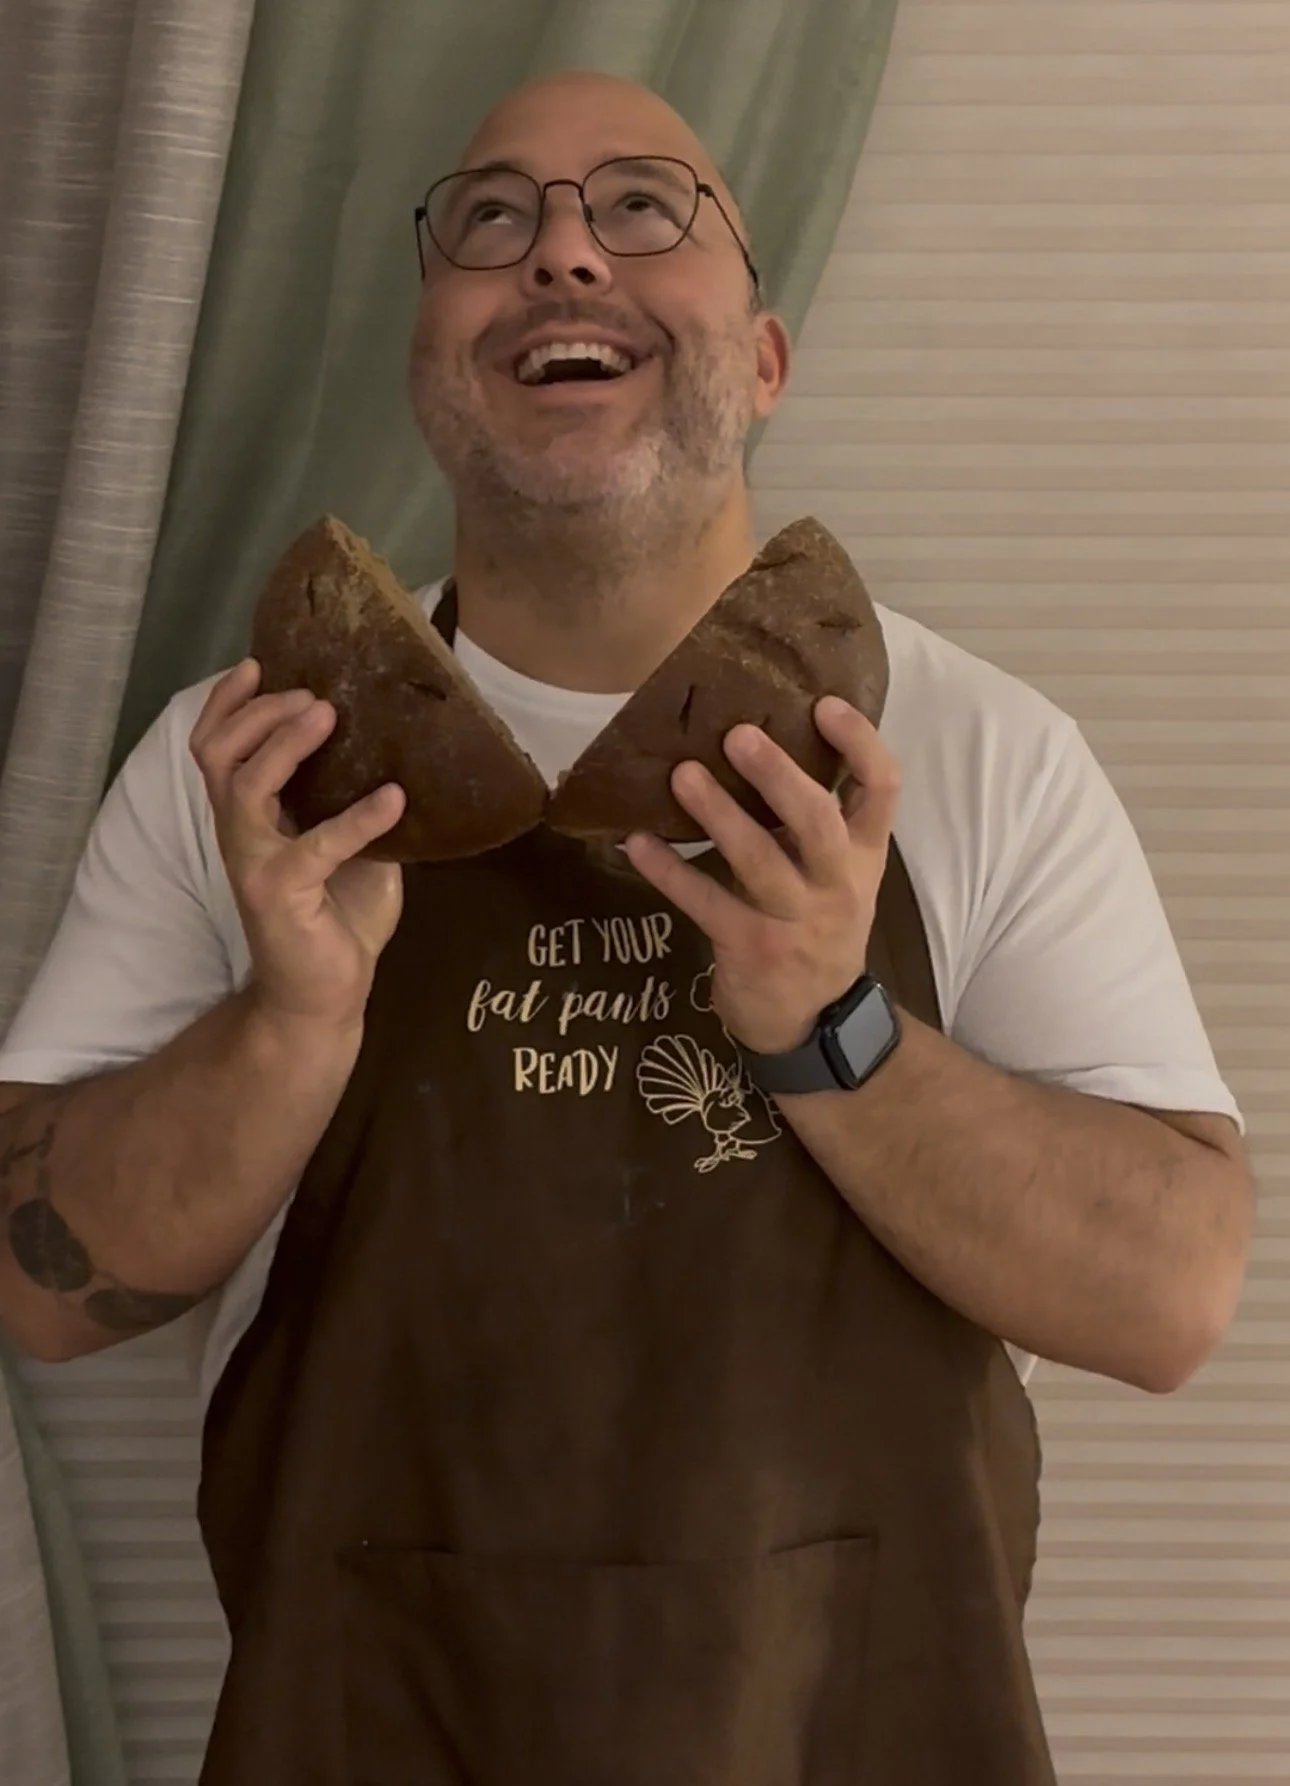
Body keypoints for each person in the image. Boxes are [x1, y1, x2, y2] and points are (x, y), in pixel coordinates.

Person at [0, 68, 1253, 1786]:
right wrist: (283, 1024)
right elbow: (41, 1289)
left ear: (763, 356)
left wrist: (835, 1023)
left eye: (644, 207)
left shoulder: (974, 754)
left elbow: (1170, 1295)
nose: (563, 255)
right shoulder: (251, 761)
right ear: (428, 363)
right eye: (492, 217)